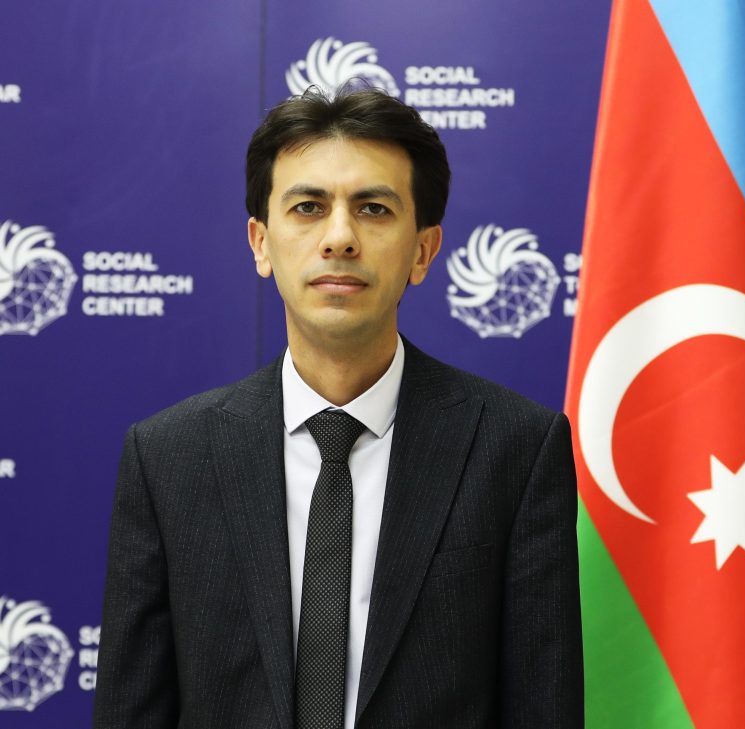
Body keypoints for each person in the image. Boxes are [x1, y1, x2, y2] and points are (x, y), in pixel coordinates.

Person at [93, 86, 583, 729]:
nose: (340, 237)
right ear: (261, 243)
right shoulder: (168, 458)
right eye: (308, 207)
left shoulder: (516, 448)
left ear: (423, 251)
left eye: (374, 208)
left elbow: (544, 706)